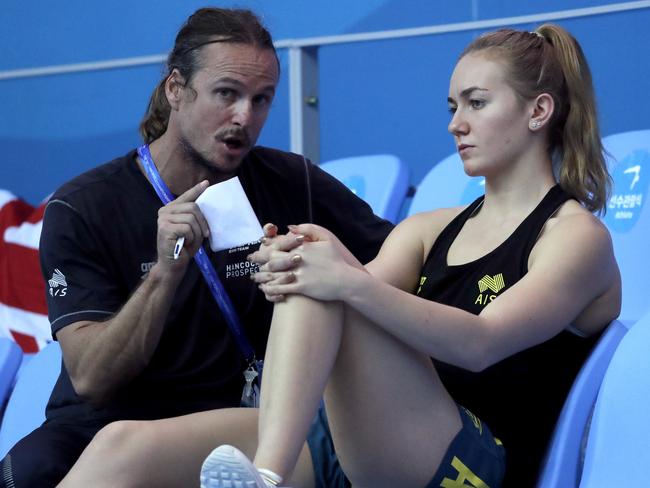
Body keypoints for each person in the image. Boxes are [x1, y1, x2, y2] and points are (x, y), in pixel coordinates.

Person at [199, 24, 621, 487]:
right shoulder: (429, 227)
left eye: (476, 103)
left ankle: (268, 477)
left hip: (479, 465)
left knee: (333, 281)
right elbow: (345, 301)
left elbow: (480, 344)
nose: (455, 123)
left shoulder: (576, 237)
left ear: (539, 111)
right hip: (383, 441)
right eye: (453, 106)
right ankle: (268, 473)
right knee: (122, 447)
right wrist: (300, 257)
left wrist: (341, 276)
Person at [0, 7, 393, 487]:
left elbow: (404, 258)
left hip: (234, 422)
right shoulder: (83, 207)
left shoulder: (293, 182)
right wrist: (165, 273)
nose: (244, 118)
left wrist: (326, 262)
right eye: (227, 93)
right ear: (176, 90)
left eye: (262, 99)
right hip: (108, 426)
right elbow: (92, 379)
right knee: (27, 470)